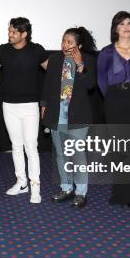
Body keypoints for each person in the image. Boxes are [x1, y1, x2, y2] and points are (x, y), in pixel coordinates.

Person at [97, 11, 130, 209]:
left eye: (129, 23)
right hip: (114, 100)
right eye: (122, 24)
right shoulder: (106, 52)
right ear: (116, 28)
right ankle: (119, 192)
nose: (126, 27)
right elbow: (102, 81)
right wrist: (113, 97)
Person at [41, 27, 97, 209]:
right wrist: (44, 105)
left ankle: (81, 192)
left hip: (78, 116)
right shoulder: (55, 59)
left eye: (70, 42)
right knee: (61, 154)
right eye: (64, 41)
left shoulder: (88, 60)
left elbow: (90, 85)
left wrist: (80, 65)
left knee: (78, 155)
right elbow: (47, 85)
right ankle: (66, 188)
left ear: (79, 45)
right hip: (57, 114)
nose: (65, 45)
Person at [0, 18, 48, 203]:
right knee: (16, 146)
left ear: (24, 34)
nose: (9, 35)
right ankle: (21, 183)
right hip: (8, 105)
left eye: (13, 32)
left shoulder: (37, 50)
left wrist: (46, 100)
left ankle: (35, 187)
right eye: (9, 31)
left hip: (30, 106)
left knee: (31, 146)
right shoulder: (2, 50)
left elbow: (50, 73)